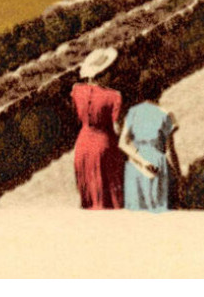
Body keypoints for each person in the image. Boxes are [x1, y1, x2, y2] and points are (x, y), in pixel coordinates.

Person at [119, 70, 181, 212]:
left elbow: (123, 143)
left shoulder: (132, 113)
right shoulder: (166, 114)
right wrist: (179, 176)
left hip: (135, 166)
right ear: (160, 90)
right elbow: (171, 151)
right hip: (157, 166)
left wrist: (139, 159)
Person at [71, 47, 124, 209]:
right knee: (109, 200)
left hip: (82, 146)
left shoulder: (76, 91)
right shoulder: (114, 96)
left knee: (91, 199)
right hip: (104, 147)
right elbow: (117, 128)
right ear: (105, 72)